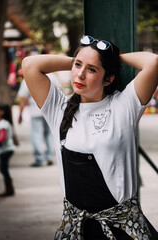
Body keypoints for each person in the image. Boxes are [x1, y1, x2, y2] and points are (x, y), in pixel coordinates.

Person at [22, 35, 158, 239]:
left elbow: (153, 62)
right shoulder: (58, 109)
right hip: (77, 230)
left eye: (92, 70)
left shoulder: (123, 105)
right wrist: (81, 59)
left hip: (124, 228)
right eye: (78, 66)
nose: (80, 75)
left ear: (109, 78)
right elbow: (30, 64)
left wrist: (114, 58)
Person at [17, 79, 55, 167]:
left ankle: (40, 159)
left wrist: (20, 114)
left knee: (36, 135)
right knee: (49, 134)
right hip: (49, 111)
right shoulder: (52, 76)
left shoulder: (27, 79)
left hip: (35, 111)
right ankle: (49, 157)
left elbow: (23, 98)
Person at [0, 103, 15, 197]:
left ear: (2, 112)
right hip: (4, 150)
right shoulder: (1, 123)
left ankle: (9, 189)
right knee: (3, 168)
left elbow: (2, 138)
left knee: (3, 168)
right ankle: (9, 188)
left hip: (6, 149)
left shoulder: (3, 124)